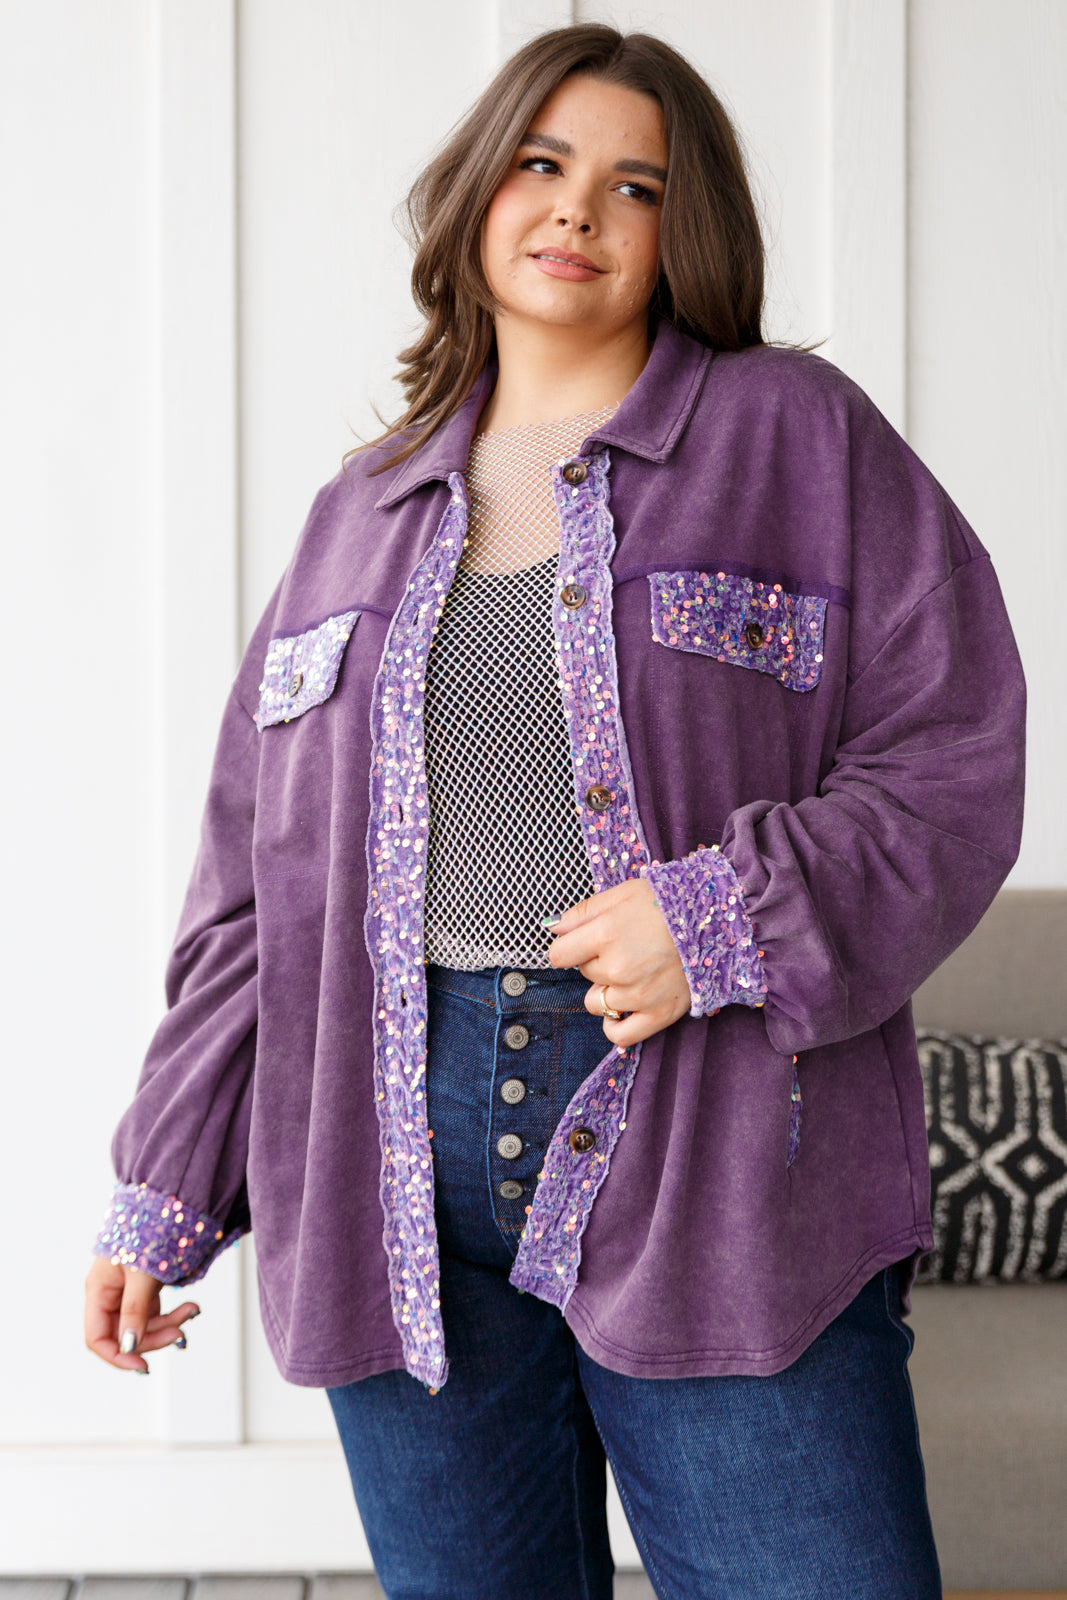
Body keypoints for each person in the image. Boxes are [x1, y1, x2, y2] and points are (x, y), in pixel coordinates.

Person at [84, 23, 1025, 1600]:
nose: (579, 207)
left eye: (634, 185)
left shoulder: (796, 435)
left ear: (683, 230)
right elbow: (256, 894)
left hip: (727, 1153)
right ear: (478, 191)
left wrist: (719, 921)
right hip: (388, 1169)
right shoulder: (355, 513)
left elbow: (952, 756)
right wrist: (165, 1186)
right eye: (543, 161)